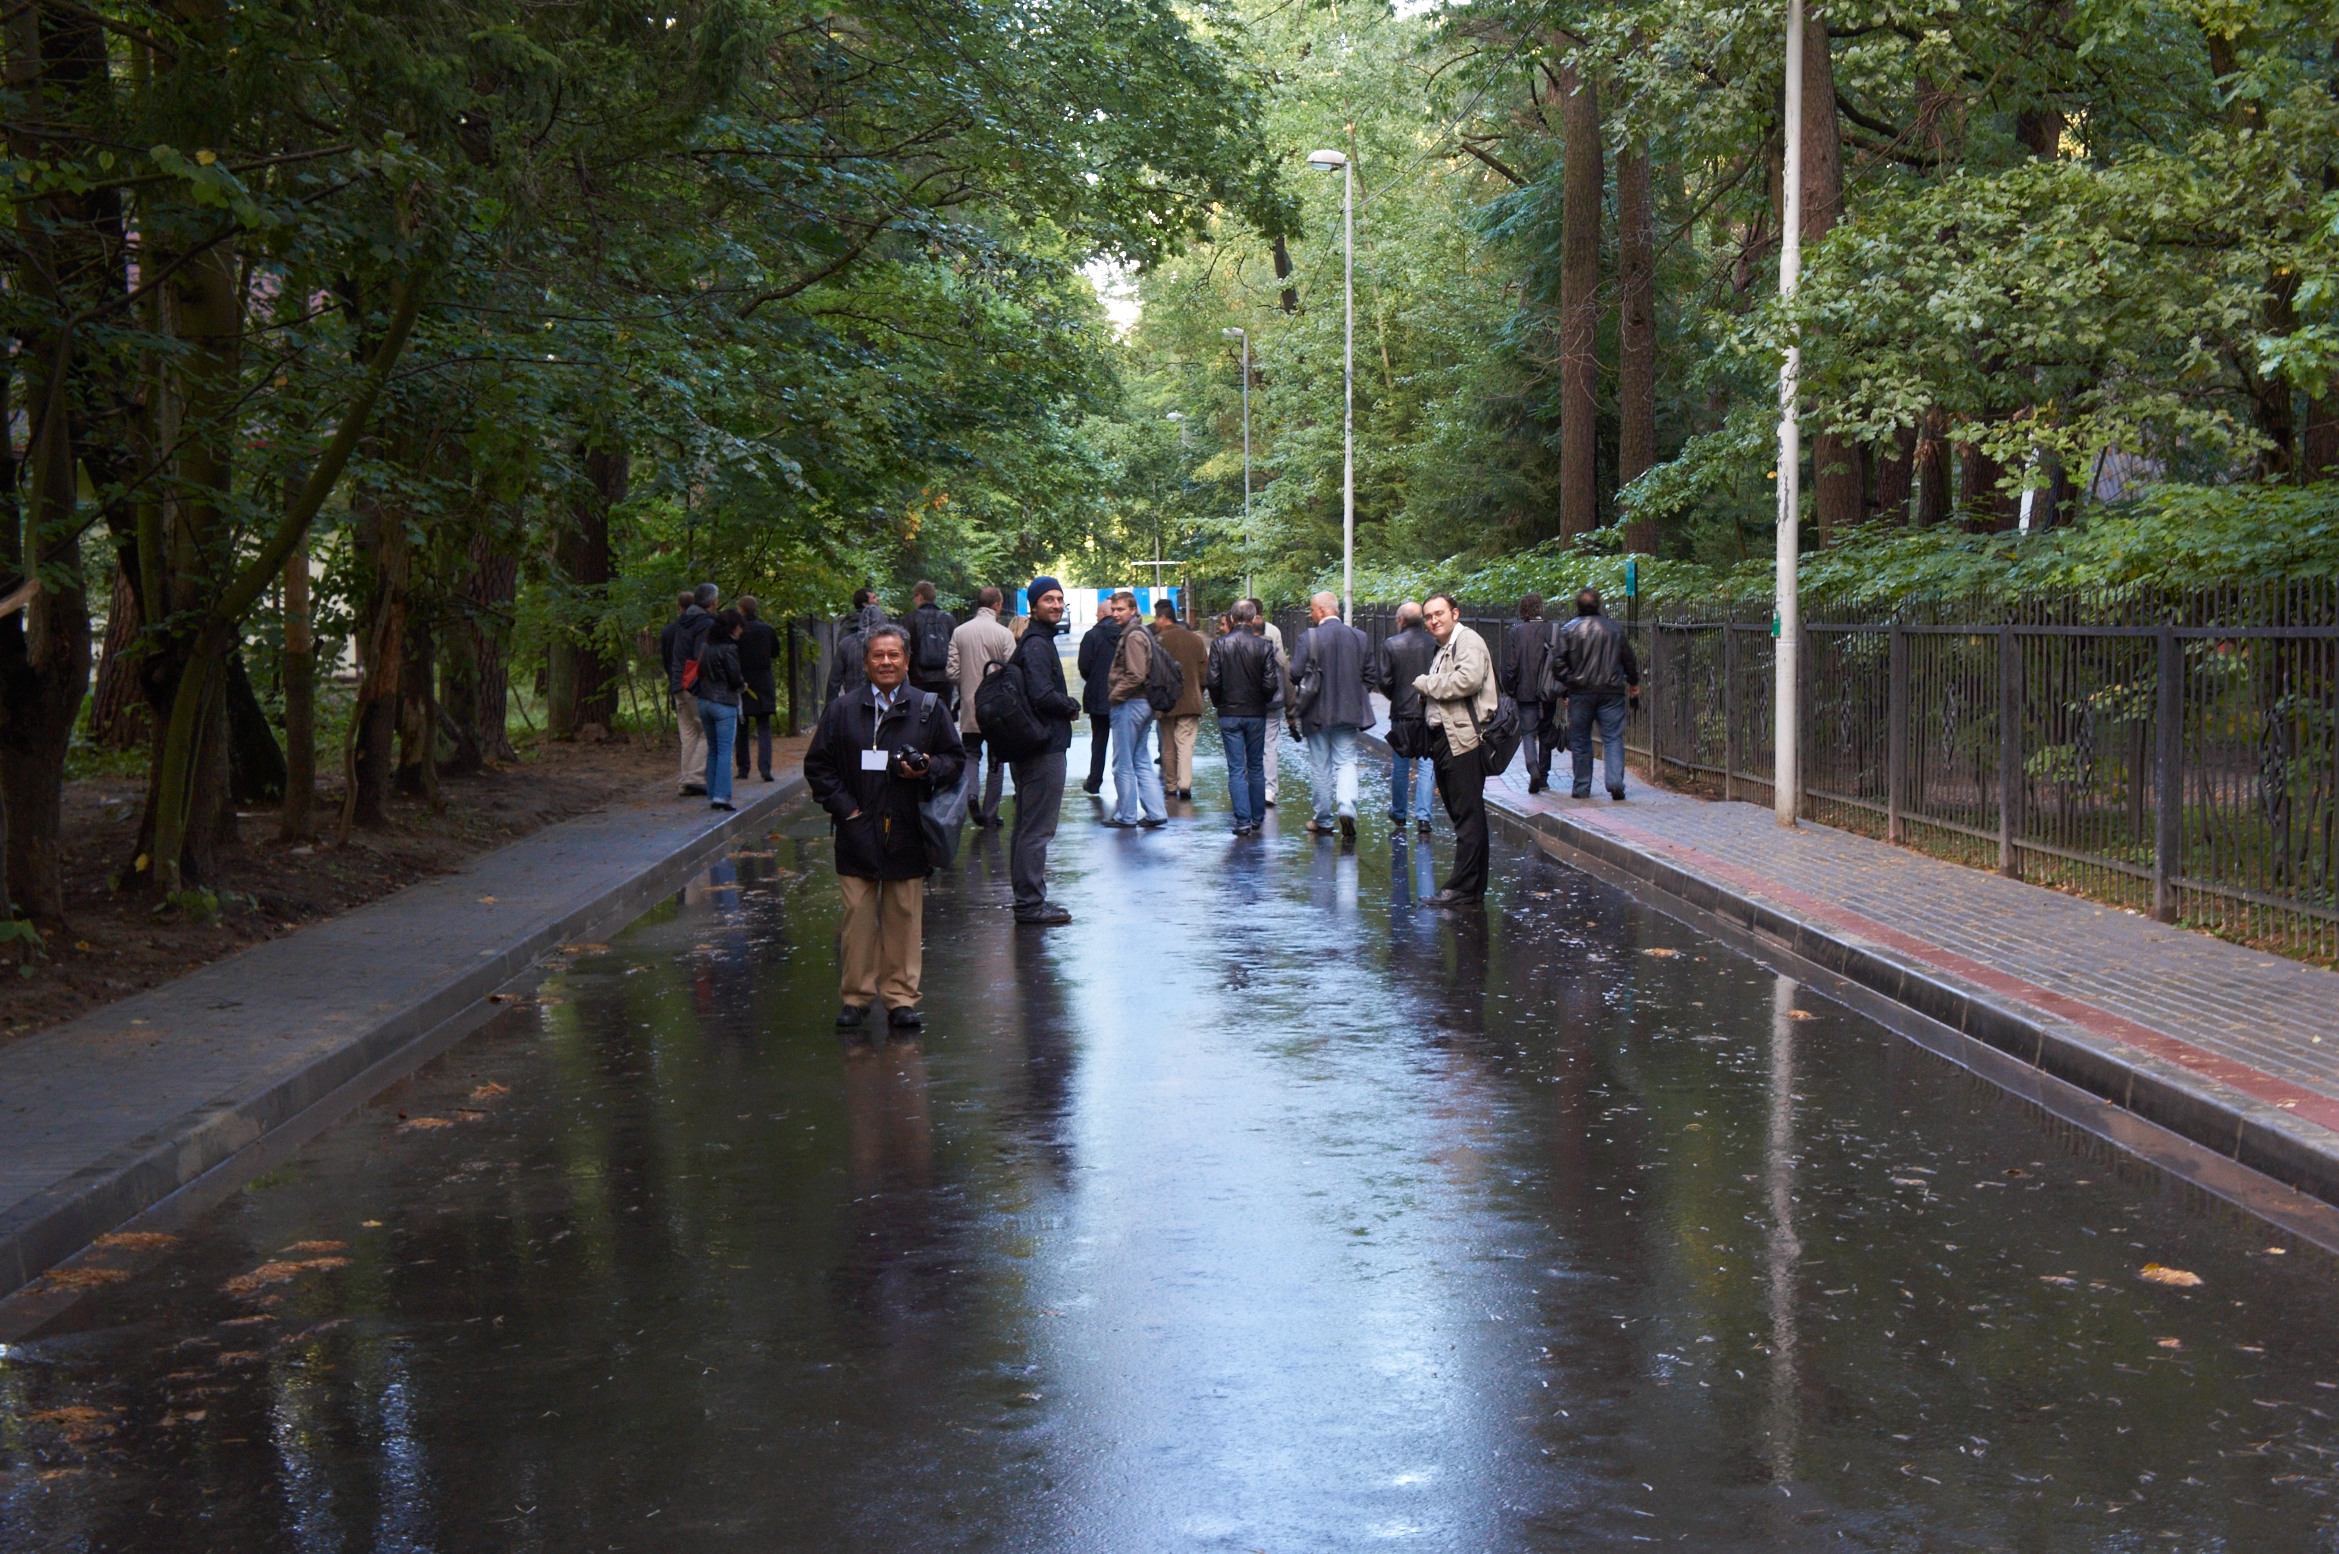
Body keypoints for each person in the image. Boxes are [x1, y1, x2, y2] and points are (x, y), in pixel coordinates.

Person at [804, 625, 965, 1034]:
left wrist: (928, 768)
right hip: (856, 831)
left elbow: (954, 760)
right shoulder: (842, 710)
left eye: (894, 655)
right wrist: (847, 810)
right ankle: (856, 997)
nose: (886, 662)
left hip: (908, 830)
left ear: (907, 661)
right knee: (858, 918)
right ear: (866, 663)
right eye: (878, 655)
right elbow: (818, 767)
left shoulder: (928, 707)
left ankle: (900, 998)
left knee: (904, 917)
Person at [1002, 578, 1082, 924]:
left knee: (1027, 827)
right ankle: (1030, 903)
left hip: (1035, 745)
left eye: (1060, 599)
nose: (1056, 605)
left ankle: (1028, 899)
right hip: (1042, 748)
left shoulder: (1038, 640)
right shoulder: (1036, 644)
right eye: (1048, 599)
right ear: (1033, 606)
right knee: (1036, 829)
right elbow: (1041, 695)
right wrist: (1071, 705)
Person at [1414, 592, 1497, 907]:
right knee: (1465, 814)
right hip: (1447, 738)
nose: (1433, 620)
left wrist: (1426, 684)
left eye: (1439, 613)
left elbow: (1468, 680)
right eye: (1428, 616)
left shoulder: (1468, 641)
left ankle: (1463, 888)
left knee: (1467, 815)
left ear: (1455, 613)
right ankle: (1472, 887)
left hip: (1463, 740)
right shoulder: (1444, 646)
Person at [1288, 590, 1373, 839]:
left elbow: (1294, 673)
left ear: (1323, 610)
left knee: (1320, 765)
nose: (1311, 614)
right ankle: (1346, 807)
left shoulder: (1309, 637)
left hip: (1315, 712)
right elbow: (1371, 675)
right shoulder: (1359, 637)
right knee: (1346, 761)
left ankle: (1323, 820)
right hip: (1348, 712)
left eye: (1312, 609)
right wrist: (1355, 695)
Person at [1551, 586, 1642, 800]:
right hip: (1611, 692)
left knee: (1580, 739)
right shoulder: (1614, 629)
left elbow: (1557, 664)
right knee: (1612, 737)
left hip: (1580, 692)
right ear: (1598, 604)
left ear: (1578, 605)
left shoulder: (1569, 630)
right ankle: (1615, 782)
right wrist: (1633, 682)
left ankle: (1582, 787)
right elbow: (1628, 659)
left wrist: (1571, 682)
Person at [1205, 600, 1281, 834]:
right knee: (1256, 765)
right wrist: (1262, 701)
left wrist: (1220, 703)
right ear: (1254, 618)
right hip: (1255, 712)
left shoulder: (1219, 645)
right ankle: (1257, 816)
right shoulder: (1264, 646)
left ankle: (1242, 820)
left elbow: (1213, 681)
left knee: (1236, 767)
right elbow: (1271, 683)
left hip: (1229, 712)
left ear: (1231, 618)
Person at [948, 585, 1017, 826]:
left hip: (970, 705)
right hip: (997, 707)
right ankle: (990, 812)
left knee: (971, 754)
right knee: (996, 759)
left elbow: (951, 671)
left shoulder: (960, 632)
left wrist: (967, 684)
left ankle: (971, 794)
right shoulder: (1004, 634)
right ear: (997, 604)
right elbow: (1013, 670)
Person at [1102, 590, 1168, 829]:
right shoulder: (1140, 632)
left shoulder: (1133, 636)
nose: (1115, 614)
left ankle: (1126, 815)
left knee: (1123, 763)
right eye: (1113, 609)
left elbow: (1136, 675)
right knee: (1140, 759)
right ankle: (1156, 812)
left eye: (1120, 609)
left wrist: (1114, 695)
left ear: (1133, 610)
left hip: (1130, 704)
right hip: (1143, 703)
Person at [1376, 600, 1440, 837]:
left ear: (1401, 620)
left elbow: (1384, 680)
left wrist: (1396, 696)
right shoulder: (1434, 644)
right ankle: (1423, 817)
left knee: (1400, 765)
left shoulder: (1391, 644)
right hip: (1428, 711)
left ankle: (1399, 812)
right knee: (1427, 764)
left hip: (1401, 713)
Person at [660, 584, 718, 796]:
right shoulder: (706, 624)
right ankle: (694, 777)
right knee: (709, 731)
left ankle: (685, 781)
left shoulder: (681, 623)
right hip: (694, 685)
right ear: (713, 602)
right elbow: (702, 656)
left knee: (689, 735)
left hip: (678, 684)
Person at [1150, 598, 1209, 801]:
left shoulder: (1157, 641)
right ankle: (1185, 784)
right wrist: (1198, 690)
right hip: (1191, 701)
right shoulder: (1195, 640)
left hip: (1166, 702)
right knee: (1185, 745)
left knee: (1168, 746)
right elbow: (1204, 673)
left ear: (1162, 617)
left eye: (1156, 618)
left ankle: (1171, 784)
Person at [1501, 593, 1556, 793]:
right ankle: (1544, 776)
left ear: (1522, 610)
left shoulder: (1515, 633)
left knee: (1528, 733)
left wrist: (1510, 689)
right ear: (1540, 608)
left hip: (1524, 691)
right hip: (1548, 691)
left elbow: (1510, 666)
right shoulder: (1553, 630)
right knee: (1546, 730)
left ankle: (1533, 768)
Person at [693, 609, 746, 810]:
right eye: (739, 626)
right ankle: (722, 796)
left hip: (704, 701)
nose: (741, 630)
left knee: (713, 749)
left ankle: (712, 793)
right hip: (724, 703)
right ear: (733, 627)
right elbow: (734, 677)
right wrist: (742, 686)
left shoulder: (706, 647)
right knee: (725, 751)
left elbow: (700, 672)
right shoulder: (729, 649)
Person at [1076, 592, 1119, 796]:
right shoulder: (1125, 633)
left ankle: (1095, 780)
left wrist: (1095, 680)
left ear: (1102, 614)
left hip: (1099, 697)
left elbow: (1084, 666)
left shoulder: (1091, 636)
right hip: (1122, 697)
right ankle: (1123, 782)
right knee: (1123, 743)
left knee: (1099, 741)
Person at [734, 596, 780, 783]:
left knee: (741, 725)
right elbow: (775, 652)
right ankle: (765, 768)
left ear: (741, 609)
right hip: (763, 681)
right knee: (764, 726)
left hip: (742, 680)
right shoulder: (766, 629)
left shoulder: (737, 631)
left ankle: (743, 768)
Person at [1250, 600, 1286, 806]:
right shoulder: (1274, 631)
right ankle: (1270, 788)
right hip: (1273, 698)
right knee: (1270, 745)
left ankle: (1251, 786)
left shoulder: (1241, 635)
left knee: (1249, 742)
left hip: (1250, 699)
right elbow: (1283, 664)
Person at [825, 588, 889, 703]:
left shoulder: (847, 626)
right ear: (865, 604)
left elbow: (835, 679)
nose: (878, 600)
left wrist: (831, 708)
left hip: (853, 689)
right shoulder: (882, 630)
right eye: (874, 598)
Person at [903, 580, 958, 704]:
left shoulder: (909, 619)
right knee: (943, 712)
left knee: (919, 712)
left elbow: (905, 649)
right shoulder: (949, 619)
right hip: (945, 678)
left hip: (918, 679)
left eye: (914, 597)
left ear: (920, 596)